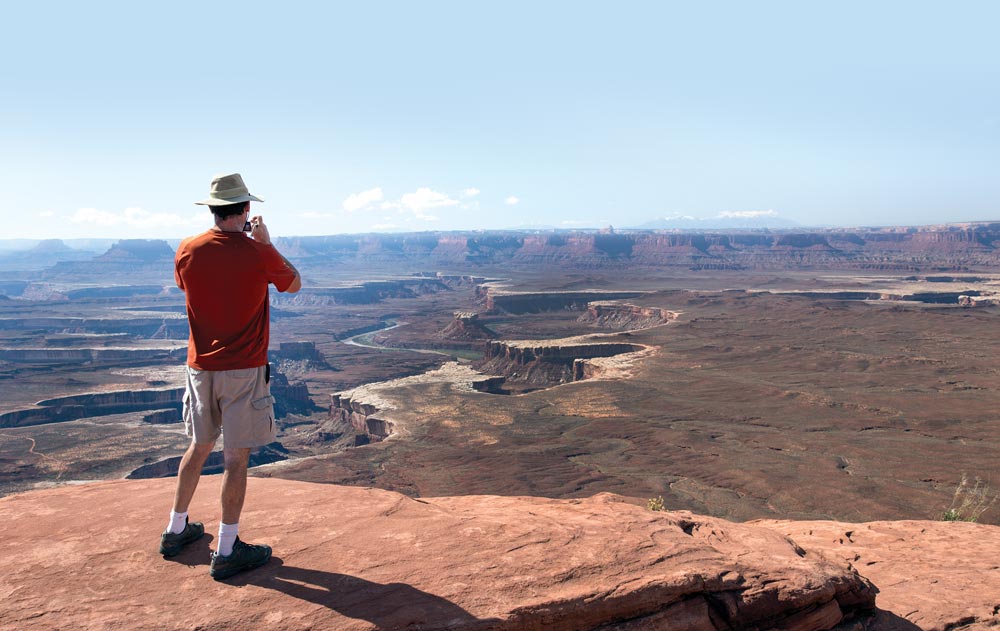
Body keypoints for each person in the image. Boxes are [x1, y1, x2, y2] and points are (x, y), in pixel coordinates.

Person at [158, 173, 302, 580]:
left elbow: (185, 284)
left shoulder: (187, 249)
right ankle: (226, 549)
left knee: (199, 446)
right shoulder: (256, 252)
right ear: (245, 210)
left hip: (199, 367)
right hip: (243, 370)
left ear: (212, 209)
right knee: (235, 459)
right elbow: (293, 284)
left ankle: (176, 529)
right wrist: (266, 244)